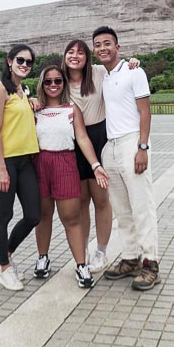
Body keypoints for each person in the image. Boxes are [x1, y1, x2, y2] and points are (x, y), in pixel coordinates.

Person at [60, 39, 139, 274]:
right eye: (71, 52)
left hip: (98, 137)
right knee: (80, 201)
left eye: (81, 52)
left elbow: (119, 68)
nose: (75, 56)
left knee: (101, 199)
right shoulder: (58, 80)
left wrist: (133, 63)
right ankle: (82, 250)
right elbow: (43, 102)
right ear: (64, 55)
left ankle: (101, 251)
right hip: (72, 142)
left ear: (88, 58)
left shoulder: (97, 73)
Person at [29, 64, 111, 288]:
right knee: (43, 215)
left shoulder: (71, 109)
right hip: (41, 164)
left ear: (64, 83)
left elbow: (83, 139)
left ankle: (81, 265)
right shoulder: (34, 109)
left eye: (58, 81)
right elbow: (17, 130)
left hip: (65, 163)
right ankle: (43, 258)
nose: (53, 85)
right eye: (48, 81)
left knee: (71, 217)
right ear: (42, 84)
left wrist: (95, 165)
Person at [93, 26, 160, 291]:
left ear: (117, 47)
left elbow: (145, 112)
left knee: (142, 206)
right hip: (111, 146)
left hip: (133, 142)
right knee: (122, 209)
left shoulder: (134, 71)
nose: (102, 48)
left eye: (107, 43)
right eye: (97, 45)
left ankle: (150, 263)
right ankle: (130, 258)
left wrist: (142, 147)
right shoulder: (104, 77)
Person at [0, 44, 41, 290]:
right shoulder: (1, 89)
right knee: (4, 215)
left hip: (26, 160)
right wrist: (1, 167)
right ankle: (4, 268)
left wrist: (32, 103)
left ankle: (5, 252)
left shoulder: (21, 90)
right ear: (9, 61)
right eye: (20, 60)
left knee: (33, 215)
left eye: (29, 62)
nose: (24, 65)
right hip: (5, 161)